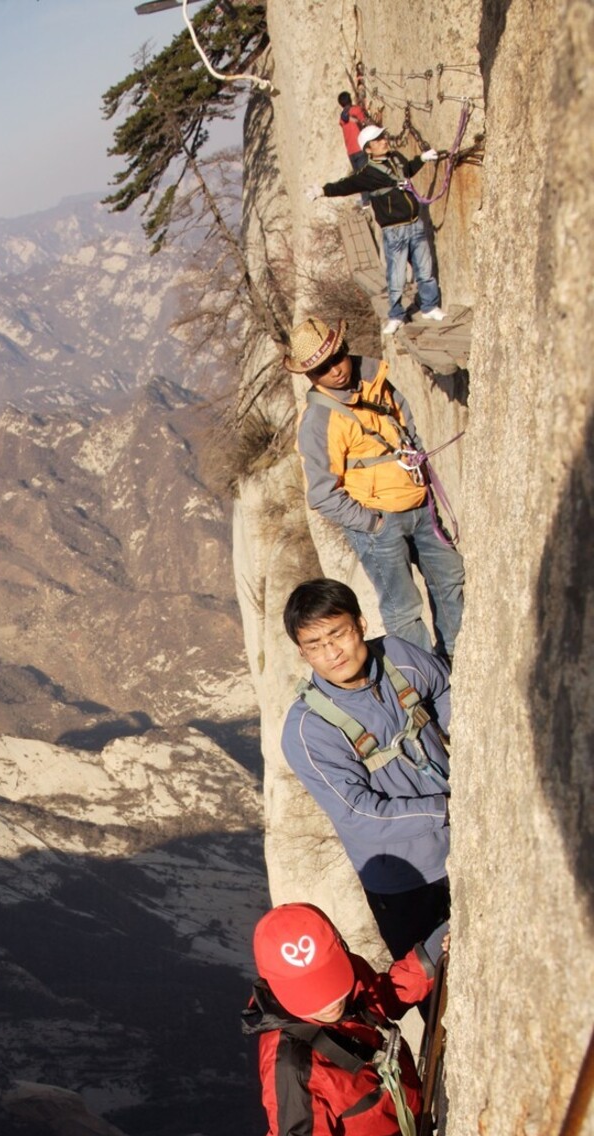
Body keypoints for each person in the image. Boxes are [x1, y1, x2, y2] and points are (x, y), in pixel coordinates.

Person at [281, 578, 452, 958]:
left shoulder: (399, 657)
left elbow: (442, 686)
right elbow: (360, 815)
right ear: (302, 652)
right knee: (440, 992)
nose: (332, 653)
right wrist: (446, 809)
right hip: (409, 882)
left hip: (460, 838)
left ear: (360, 624)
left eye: (337, 634)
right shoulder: (309, 730)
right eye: (315, 645)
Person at [284, 315, 464, 658]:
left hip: (418, 505)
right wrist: (374, 524)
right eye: (323, 367)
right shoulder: (319, 421)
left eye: (336, 357)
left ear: (344, 349)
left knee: (449, 578)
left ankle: (457, 656)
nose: (335, 370)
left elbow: (405, 421)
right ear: (311, 375)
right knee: (404, 608)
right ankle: (427, 677)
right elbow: (321, 494)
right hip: (378, 521)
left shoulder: (376, 381)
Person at [245, 901, 441, 1136]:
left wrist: (426, 963)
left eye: (332, 982)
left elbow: (380, 998)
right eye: (312, 993)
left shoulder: (349, 970)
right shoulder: (291, 1064)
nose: (331, 1003)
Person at [307, 123, 444, 332]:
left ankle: (430, 306)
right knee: (396, 276)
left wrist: (421, 160)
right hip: (394, 230)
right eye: (378, 140)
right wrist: (323, 191)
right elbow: (346, 185)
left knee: (424, 269)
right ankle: (397, 315)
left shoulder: (396, 158)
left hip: (414, 223)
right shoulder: (368, 173)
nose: (384, 141)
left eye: (383, 137)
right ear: (368, 149)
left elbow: (407, 170)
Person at [337, 91, 369, 172]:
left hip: (351, 152)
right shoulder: (356, 110)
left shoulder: (342, 118)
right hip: (360, 148)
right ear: (350, 100)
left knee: (359, 179)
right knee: (366, 176)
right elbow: (364, 123)